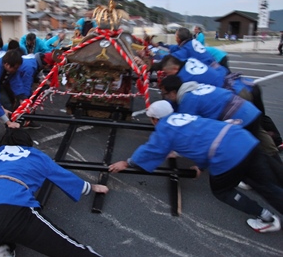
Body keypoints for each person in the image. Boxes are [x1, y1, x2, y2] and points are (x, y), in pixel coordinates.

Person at [109, 100, 282, 233]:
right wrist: (200, 166)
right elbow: (202, 141)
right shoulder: (186, 117)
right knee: (267, 186)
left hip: (227, 156)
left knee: (222, 191)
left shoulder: (164, 130)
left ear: (155, 119)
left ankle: (266, 218)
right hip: (243, 139)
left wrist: (126, 163)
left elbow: (149, 151)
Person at [0, 128, 108, 256]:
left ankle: (3, 247)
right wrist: (91, 187)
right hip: (11, 211)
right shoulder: (35, 155)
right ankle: (3, 244)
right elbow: (64, 177)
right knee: (67, 248)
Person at [159, 75, 280, 161]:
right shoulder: (194, 87)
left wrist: (176, 151)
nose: (166, 97)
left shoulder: (187, 101)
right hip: (248, 108)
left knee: (244, 148)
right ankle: (277, 167)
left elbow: (190, 131)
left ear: (173, 92)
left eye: (165, 94)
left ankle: (257, 176)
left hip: (238, 118)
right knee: (262, 138)